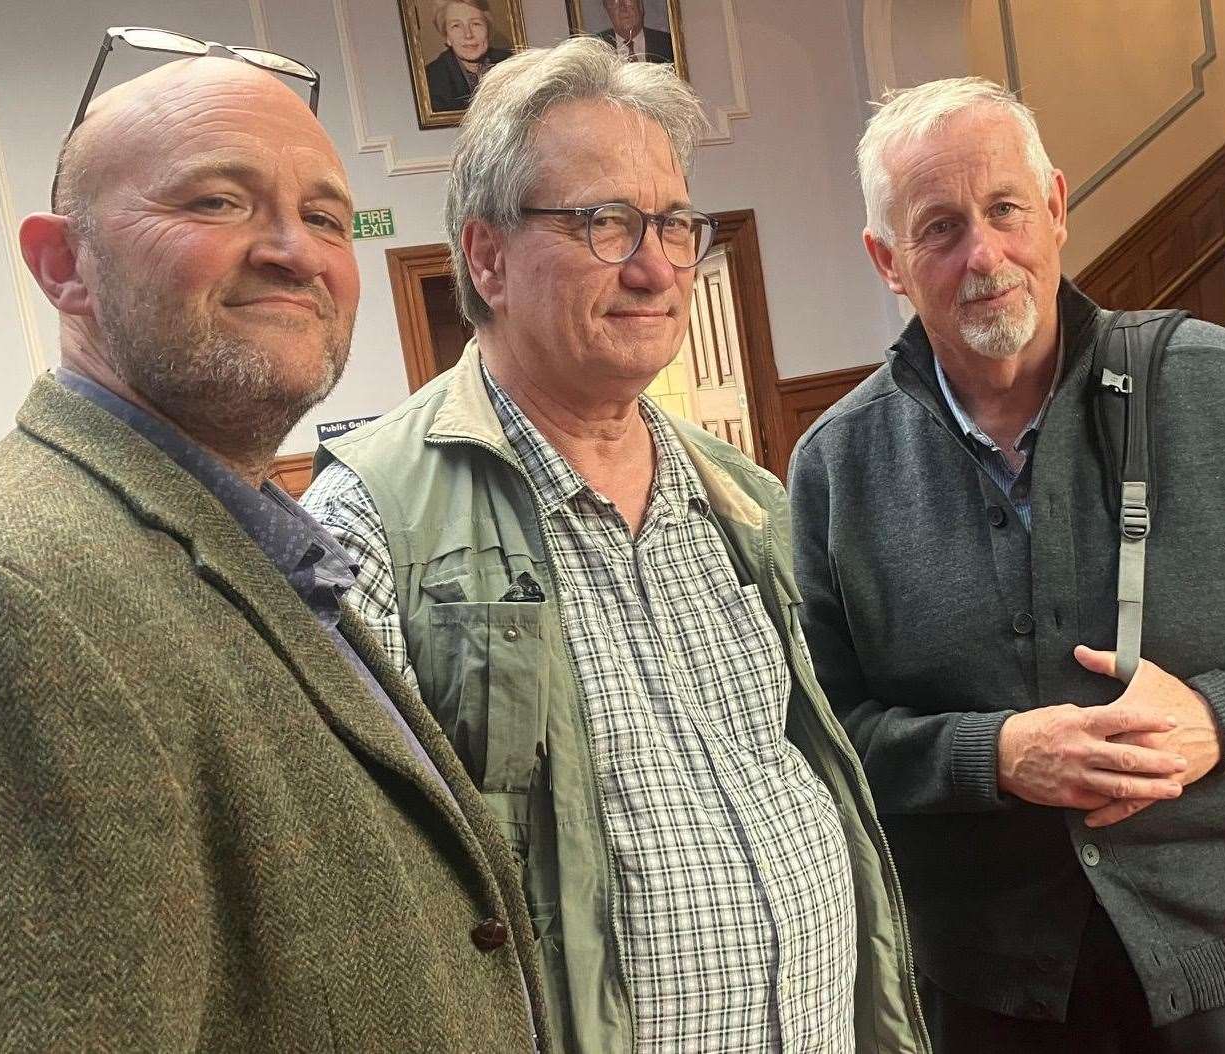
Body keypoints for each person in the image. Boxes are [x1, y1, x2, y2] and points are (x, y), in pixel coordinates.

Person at [0, 50, 543, 1051]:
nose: (294, 250)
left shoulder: (265, 547)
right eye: (216, 201)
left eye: (326, 217)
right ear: (62, 265)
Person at [302, 36, 927, 1054]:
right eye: (602, 222)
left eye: (674, 224)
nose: (653, 266)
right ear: (487, 256)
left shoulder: (743, 498)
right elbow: (349, 902)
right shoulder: (371, 521)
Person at [788, 76, 1225, 1053]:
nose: (983, 255)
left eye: (1003, 209)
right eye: (939, 228)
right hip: (996, 984)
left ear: (1055, 206)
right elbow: (821, 731)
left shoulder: (1216, 379)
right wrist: (991, 756)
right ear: (886, 260)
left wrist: (1220, 720)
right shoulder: (835, 465)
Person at [427, 0, 512, 112]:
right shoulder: (432, 78)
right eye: (456, 26)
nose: (468, 34)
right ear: (447, 36)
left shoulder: (511, 64)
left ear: (488, 29)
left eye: (476, 24)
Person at [595, 0, 675, 64]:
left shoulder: (669, 44)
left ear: (640, 5)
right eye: (614, 2)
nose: (622, 8)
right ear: (607, 11)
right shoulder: (595, 49)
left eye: (628, 1)